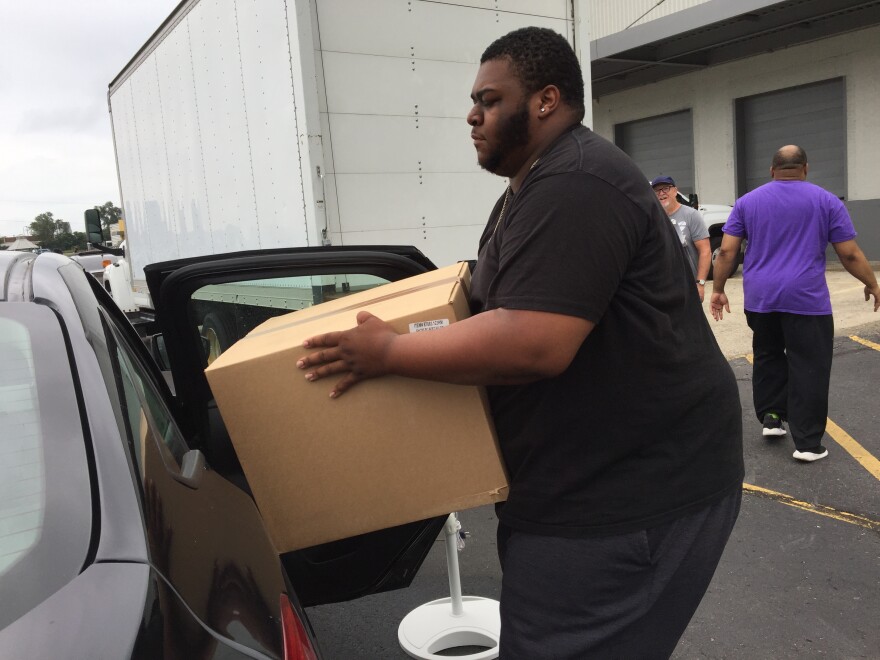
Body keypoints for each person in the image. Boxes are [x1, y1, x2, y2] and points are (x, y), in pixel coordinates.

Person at [298, 27, 743, 658]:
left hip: (628, 500)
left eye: (489, 99)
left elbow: (535, 341)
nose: (472, 115)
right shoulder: (531, 189)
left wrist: (388, 354)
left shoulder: (577, 182)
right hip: (578, 488)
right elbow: (493, 301)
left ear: (545, 100)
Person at [711, 145, 880, 463]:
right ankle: (807, 442)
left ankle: (772, 417)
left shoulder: (747, 202)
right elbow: (850, 254)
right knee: (809, 364)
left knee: (767, 353)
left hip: (761, 299)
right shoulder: (826, 200)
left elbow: (727, 252)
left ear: (772, 170)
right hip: (806, 299)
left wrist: (718, 288)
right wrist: (872, 283)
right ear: (805, 168)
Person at [651, 175, 712, 301]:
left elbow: (705, 251)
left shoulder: (691, 215)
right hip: (661, 287)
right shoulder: (652, 218)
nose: (661, 193)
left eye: (666, 188)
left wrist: (700, 283)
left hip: (687, 286)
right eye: (657, 190)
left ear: (675, 191)